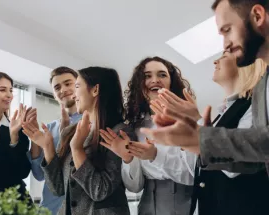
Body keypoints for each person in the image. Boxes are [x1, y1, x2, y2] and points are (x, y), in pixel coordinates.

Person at [140, 0, 269, 170]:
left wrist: (202, 138)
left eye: (227, 30)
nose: (225, 45)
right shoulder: (262, 88)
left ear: (258, 16)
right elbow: (254, 161)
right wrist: (195, 141)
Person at [23, 67, 130, 215]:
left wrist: (77, 149)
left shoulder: (120, 132)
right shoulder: (69, 132)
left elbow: (100, 190)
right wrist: (47, 147)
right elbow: (57, 188)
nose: (73, 95)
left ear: (95, 90)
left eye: (77, 86)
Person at [100, 56, 197, 215]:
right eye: (147, 76)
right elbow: (134, 187)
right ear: (140, 86)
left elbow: (194, 174)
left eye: (162, 75)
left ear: (171, 83)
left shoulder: (187, 121)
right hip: (146, 206)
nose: (155, 80)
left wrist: (155, 155)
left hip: (184, 203)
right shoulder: (136, 128)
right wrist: (128, 159)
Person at [188, 52, 268, 215]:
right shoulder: (221, 114)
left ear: (246, 64)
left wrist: (197, 134)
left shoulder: (254, 108)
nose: (215, 61)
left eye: (225, 55)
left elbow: (239, 164)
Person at [28, 67, 82, 214]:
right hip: (50, 209)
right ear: (54, 94)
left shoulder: (92, 123)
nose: (63, 90)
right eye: (57, 87)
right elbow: (39, 175)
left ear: (79, 85)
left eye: (68, 83)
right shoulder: (49, 128)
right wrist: (34, 139)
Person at [0, 71, 34, 199]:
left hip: (16, 203)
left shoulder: (17, 130)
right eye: (2, 90)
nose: (9, 95)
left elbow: (23, 172)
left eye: (11, 90)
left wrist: (13, 137)